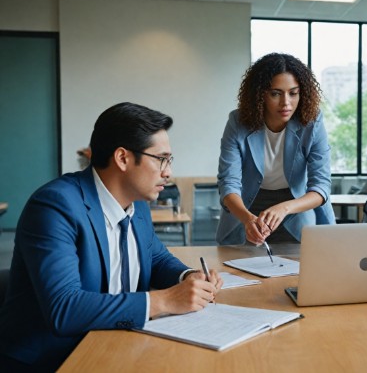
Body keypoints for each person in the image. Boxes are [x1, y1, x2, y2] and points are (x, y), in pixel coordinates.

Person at [0, 102, 224, 371]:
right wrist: (164, 300)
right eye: (161, 159)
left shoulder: (137, 202)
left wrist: (187, 277)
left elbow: (156, 257)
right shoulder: (55, 206)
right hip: (54, 360)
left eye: (170, 160)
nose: (168, 171)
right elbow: (64, 308)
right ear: (122, 158)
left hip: (117, 344)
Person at [216, 53, 335, 246]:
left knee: (299, 272)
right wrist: (247, 219)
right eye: (275, 93)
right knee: (242, 272)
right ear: (260, 94)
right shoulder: (238, 123)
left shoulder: (312, 123)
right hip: (247, 206)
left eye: (293, 93)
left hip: (295, 206)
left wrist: (285, 208)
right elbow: (228, 183)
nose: (286, 102)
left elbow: (321, 187)